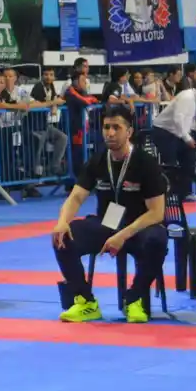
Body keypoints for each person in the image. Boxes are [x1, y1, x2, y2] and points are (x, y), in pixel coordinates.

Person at [50, 104, 169, 324]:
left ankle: (134, 298)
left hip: (139, 227)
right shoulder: (97, 160)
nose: (110, 133)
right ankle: (85, 301)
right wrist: (62, 221)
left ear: (129, 131)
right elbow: (76, 197)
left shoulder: (145, 163)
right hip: (108, 223)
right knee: (62, 237)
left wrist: (123, 235)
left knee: (158, 240)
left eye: (116, 127)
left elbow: (156, 213)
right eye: (106, 127)